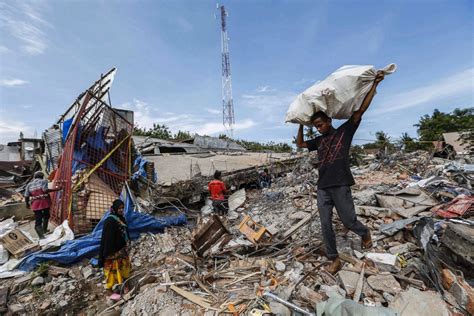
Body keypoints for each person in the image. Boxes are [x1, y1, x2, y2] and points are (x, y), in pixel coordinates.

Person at [296, 71, 385, 274]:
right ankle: (334, 258)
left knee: (348, 221)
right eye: (315, 126)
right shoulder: (318, 141)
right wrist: (301, 123)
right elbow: (300, 144)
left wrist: (375, 85)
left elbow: (359, 111)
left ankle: (364, 232)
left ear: (329, 121)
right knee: (325, 224)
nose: (318, 129)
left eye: (320, 125)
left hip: (341, 184)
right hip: (323, 188)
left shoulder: (344, 132)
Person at [98, 199, 131, 292]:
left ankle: (125, 285)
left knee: (124, 268)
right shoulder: (110, 221)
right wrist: (110, 253)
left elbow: (125, 233)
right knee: (113, 271)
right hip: (112, 251)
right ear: (115, 208)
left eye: (122, 208)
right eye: (119, 208)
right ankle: (109, 291)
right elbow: (107, 238)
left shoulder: (121, 218)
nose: (121, 210)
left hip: (121, 249)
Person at [24, 171, 61, 238]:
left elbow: (26, 196)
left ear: (35, 177)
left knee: (38, 219)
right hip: (44, 202)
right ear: (42, 176)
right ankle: (44, 230)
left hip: (35, 204)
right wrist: (56, 189)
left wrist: (27, 204)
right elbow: (45, 190)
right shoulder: (43, 181)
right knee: (46, 215)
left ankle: (41, 236)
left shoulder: (29, 184)